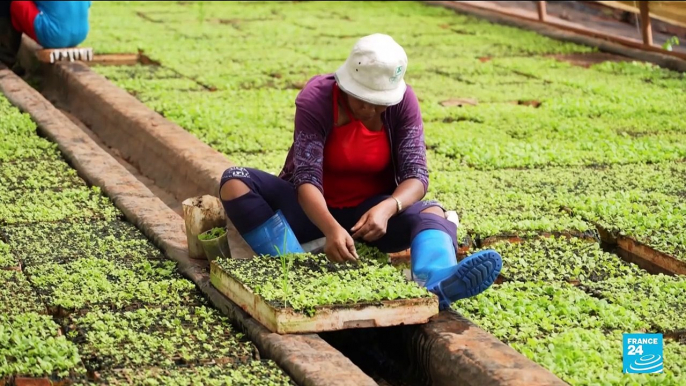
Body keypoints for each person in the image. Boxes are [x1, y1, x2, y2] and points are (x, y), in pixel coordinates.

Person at [219, 33, 502, 310]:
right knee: (236, 181)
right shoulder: (315, 99)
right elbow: (306, 178)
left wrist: (390, 207)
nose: (373, 109)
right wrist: (330, 228)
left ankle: (437, 279)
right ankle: (297, 270)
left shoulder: (403, 103)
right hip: (310, 214)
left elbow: (416, 175)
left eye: (382, 103)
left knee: (432, 213)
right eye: (366, 101)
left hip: (370, 221)